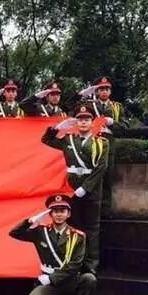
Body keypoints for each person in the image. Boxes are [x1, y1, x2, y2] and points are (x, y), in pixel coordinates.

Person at [9, 194, 94, 295]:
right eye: (55, 211)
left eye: (62, 211)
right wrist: (30, 221)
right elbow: (14, 233)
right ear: (50, 214)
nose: (59, 214)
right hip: (50, 283)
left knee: (89, 279)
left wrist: (51, 278)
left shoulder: (77, 236)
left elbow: (75, 265)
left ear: (68, 214)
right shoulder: (41, 232)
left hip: (69, 280)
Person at [41, 104, 108, 276]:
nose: (83, 122)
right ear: (76, 122)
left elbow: (101, 167)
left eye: (87, 119)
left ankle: (91, 263)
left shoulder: (101, 142)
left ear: (92, 122)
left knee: (92, 228)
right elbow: (46, 140)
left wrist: (85, 188)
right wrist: (57, 128)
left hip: (92, 190)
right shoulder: (68, 140)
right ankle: (73, 262)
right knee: (73, 226)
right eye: (80, 119)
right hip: (71, 189)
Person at [78, 76, 129, 210]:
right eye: (101, 89)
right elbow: (74, 110)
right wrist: (82, 94)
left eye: (107, 89)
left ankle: (105, 210)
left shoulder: (117, 107)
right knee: (91, 174)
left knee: (107, 176)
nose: (104, 92)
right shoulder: (89, 105)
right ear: (97, 91)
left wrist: (112, 123)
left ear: (110, 91)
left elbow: (125, 127)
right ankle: (91, 209)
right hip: (91, 142)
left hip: (108, 143)